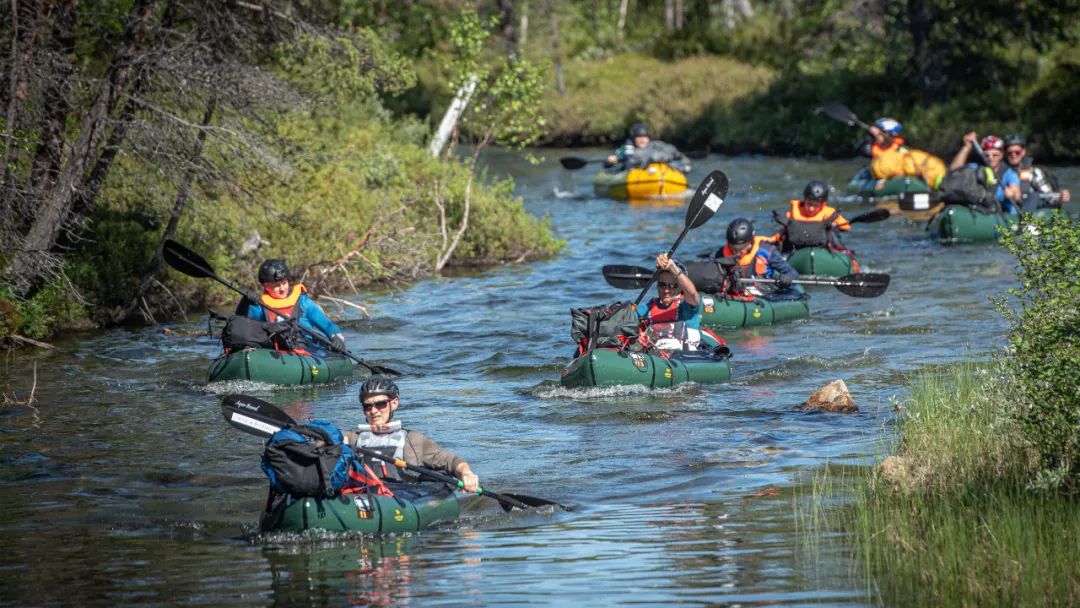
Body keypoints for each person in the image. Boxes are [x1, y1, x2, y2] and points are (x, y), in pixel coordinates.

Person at [343, 377, 479, 493]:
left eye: (380, 404)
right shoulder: (351, 437)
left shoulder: (414, 440)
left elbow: (451, 461)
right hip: (363, 495)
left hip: (403, 499)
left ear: (394, 403)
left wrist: (466, 473)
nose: (373, 411)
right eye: (367, 406)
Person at [241, 258, 346, 351]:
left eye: (284, 283)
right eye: (277, 286)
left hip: (307, 348)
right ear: (266, 286)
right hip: (275, 351)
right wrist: (244, 303)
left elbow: (327, 325)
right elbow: (242, 329)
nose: (282, 288)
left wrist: (336, 337)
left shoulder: (303, 302)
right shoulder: (260, 306)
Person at [711, 218, 798, 298]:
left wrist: (787, 277)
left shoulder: (766, 251)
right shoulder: (720, 254)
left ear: (751, 242)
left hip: (764, 292)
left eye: (741, 248)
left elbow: (791, 272)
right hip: (735, 292)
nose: (737, 253)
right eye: (733, 248)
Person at [866, 117, 947, 190]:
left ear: (888, 135)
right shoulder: (872, 148)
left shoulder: (902, 151)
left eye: (879, 135)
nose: (875, 138)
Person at [949, 132, 1021, 213]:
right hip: (980, 211)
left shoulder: (1008, 173)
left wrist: (1012, 194)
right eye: (987, 155)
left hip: (1002, 213)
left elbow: (1017, 193)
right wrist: (966, 147)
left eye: (995, 155)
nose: (990, 158)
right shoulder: (975, 167)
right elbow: (954, 172)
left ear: (1001, 155)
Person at [775, 180, 851, 253]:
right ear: (804, 200)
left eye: (816, 205)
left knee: (833, 233)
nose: (811, 209)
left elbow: (846, 227)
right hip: (796, 250)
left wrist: (834, 225)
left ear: (823, 204)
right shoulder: (792, 214)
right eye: (809, 204)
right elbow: (781, 234)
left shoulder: (829, 213)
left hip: (823, 249)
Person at [1003, 134, 1070, 212]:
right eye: (1010, 153)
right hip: (1006, 210)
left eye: (1017, 152)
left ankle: (1026, 221)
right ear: (1005, 153)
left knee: (1033, 196)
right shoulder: (1000, 171)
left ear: (1023, 152)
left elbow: (1048, 195)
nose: (1013, 155)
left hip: (1029, 208)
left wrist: (1060, 198)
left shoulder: (1034, 173)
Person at [605, 123, 691, 172]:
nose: (642, 139)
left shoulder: (655, 146)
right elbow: (607, 163)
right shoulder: (626, 149)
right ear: (633, 138)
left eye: (644, 137)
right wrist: (611, 160)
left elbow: (673, 151)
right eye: (639, 137)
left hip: (657, 172)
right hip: (634, 174)